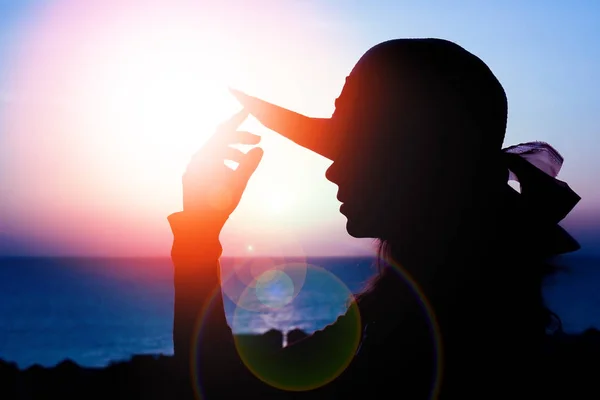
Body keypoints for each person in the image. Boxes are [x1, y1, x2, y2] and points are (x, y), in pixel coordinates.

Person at [167, 38, 581, 398]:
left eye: (357, 153)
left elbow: (227, 392)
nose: (332, 170)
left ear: (414, 167)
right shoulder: (424, 302)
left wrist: (197, 237)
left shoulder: (427, 327)